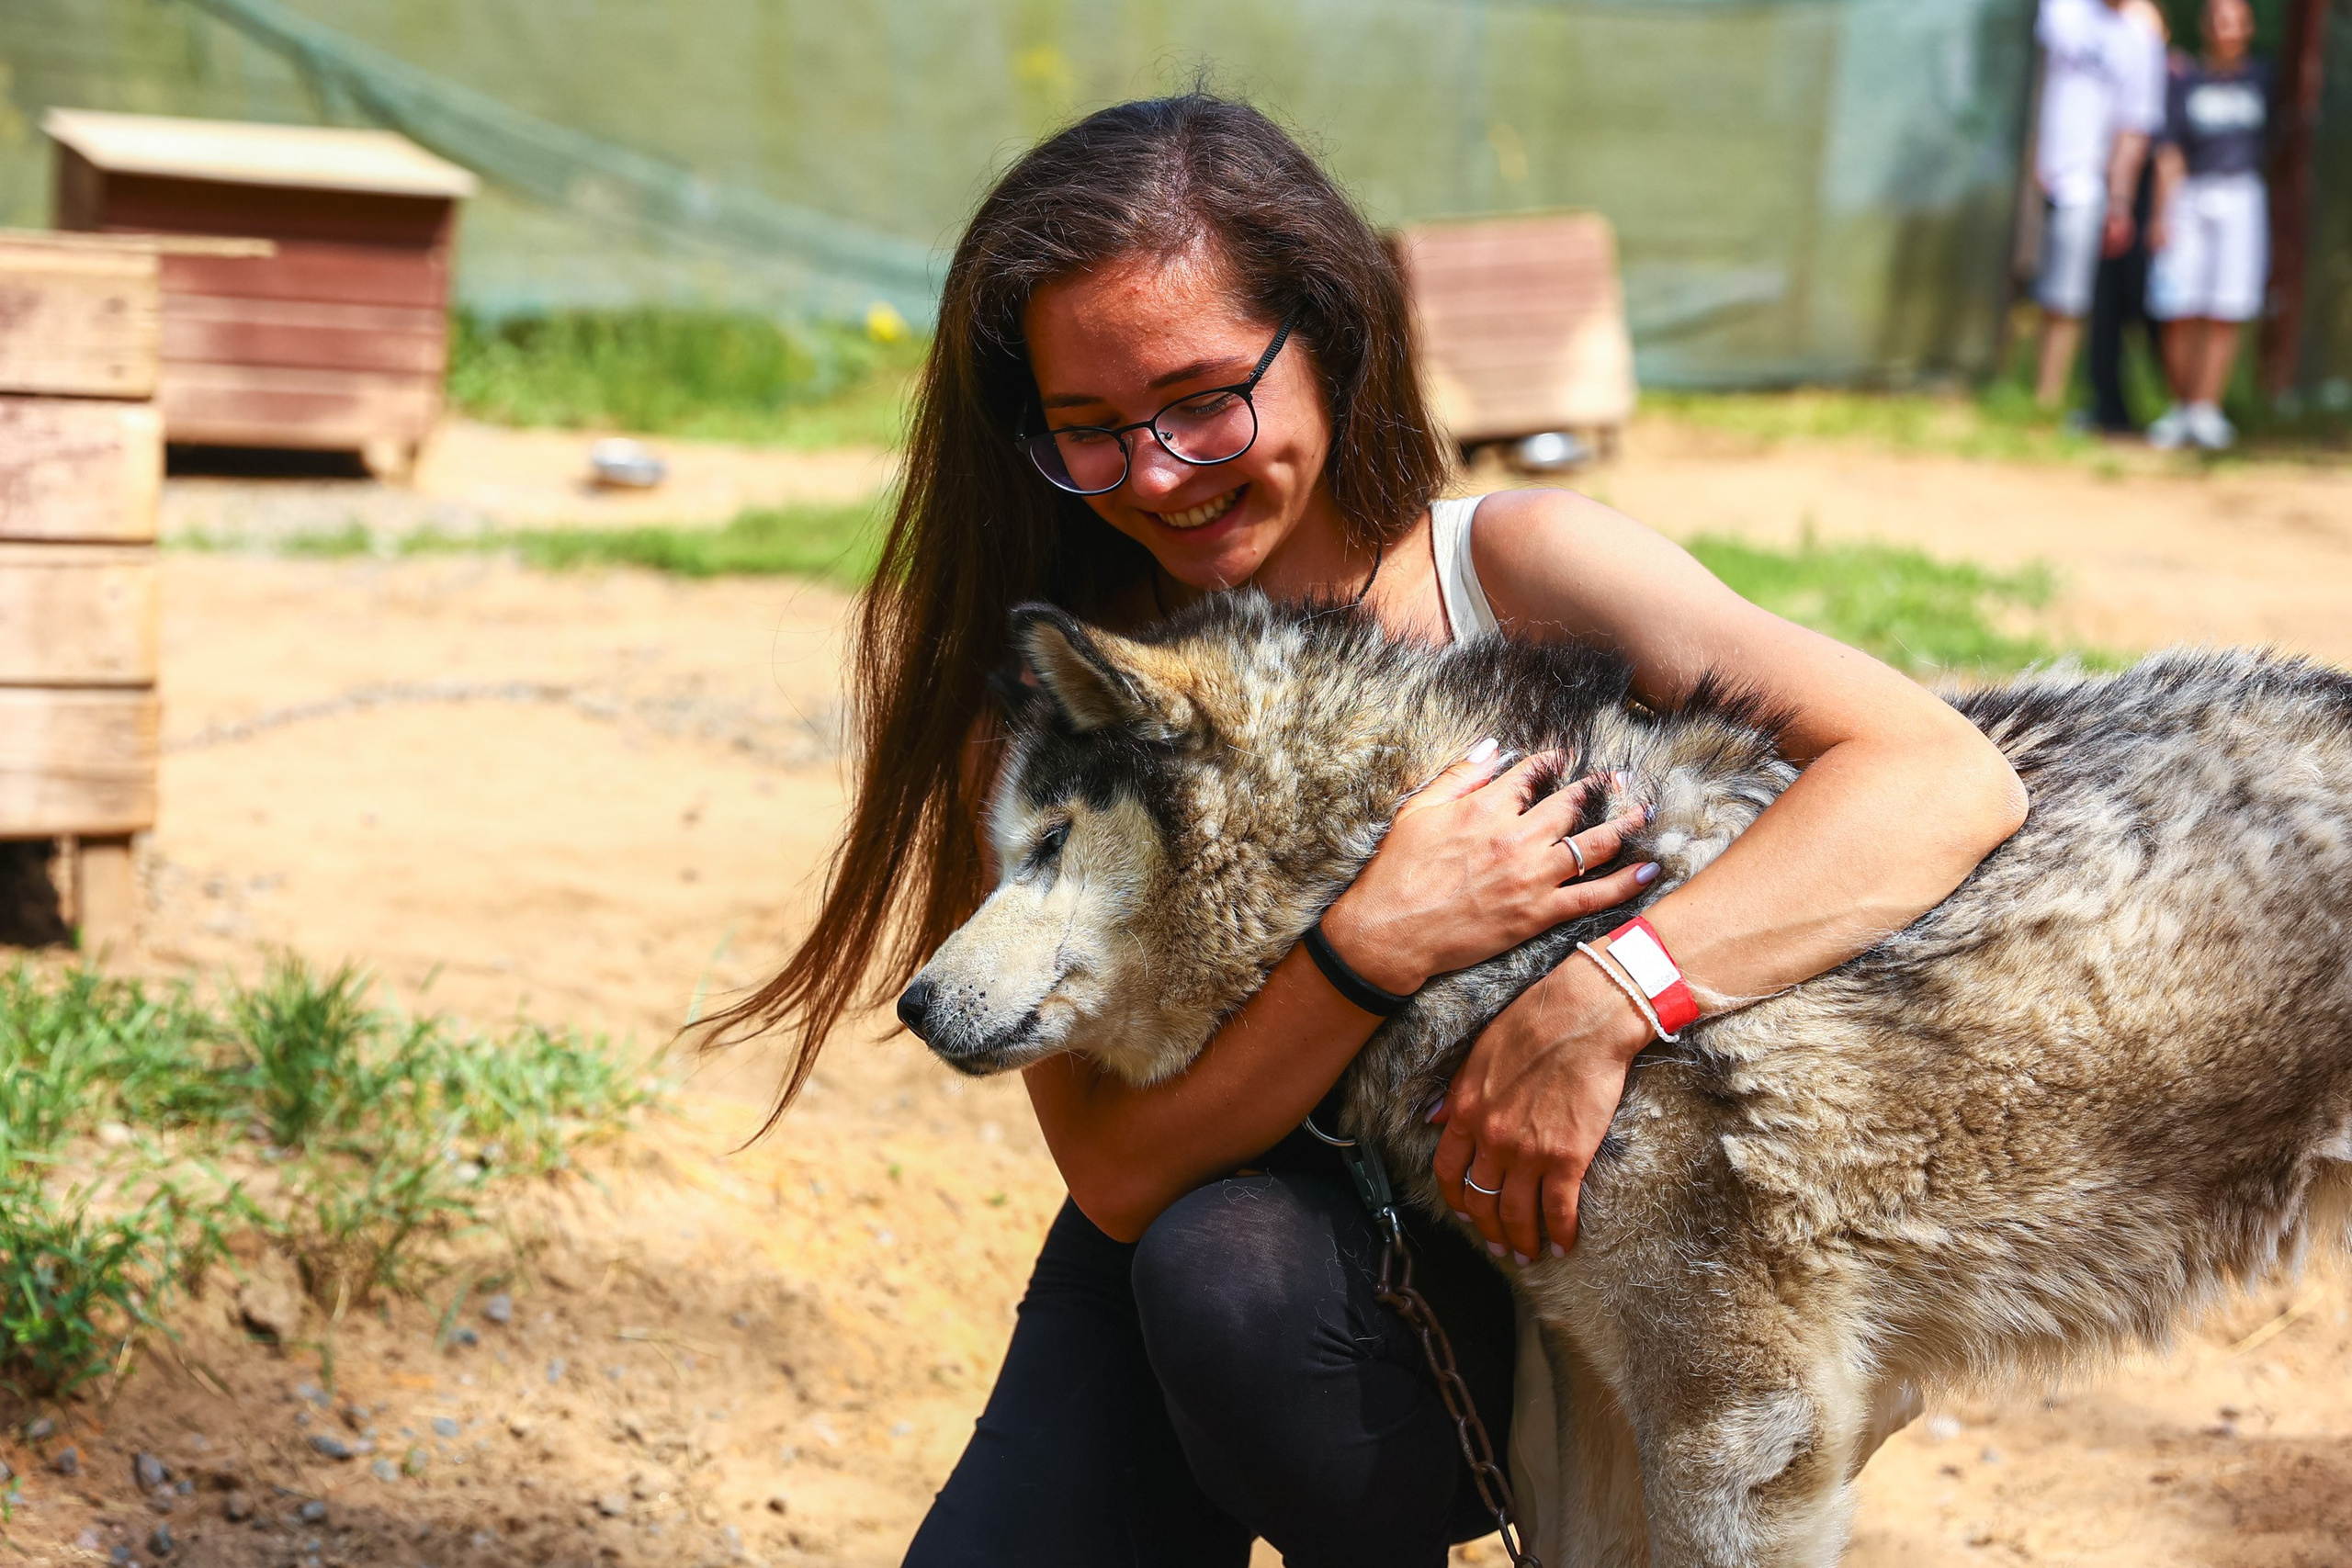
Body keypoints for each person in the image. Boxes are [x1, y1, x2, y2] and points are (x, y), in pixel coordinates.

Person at [709, 96, 2028, 1567]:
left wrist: (1607, 995)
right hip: (1265, 1288)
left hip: (1581, 1266)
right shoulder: (1073, 705)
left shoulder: (1519, 566)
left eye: (1203, 399)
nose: (1158, 471)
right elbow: (1120, 1174)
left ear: (1329, 336)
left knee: (1229, 1281)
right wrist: (1369, 944)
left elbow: (1938, 774)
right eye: (1089, 431)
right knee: (1216, 1272)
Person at [2145, 0, 2273, 451]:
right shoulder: (2185, 81)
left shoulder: (2265, 80)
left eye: (2234, 21)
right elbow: (2169, 152)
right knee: (2177, 304)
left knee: (2225, 307)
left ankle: (2206, 410)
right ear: (2205, 26)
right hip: (2190, 194)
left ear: (2248, 28)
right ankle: (2181, 408)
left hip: (2241, 194)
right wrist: (2160, 213)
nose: (2226, 30)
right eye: (2218, 20)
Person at [2031, 0, 2168, 409]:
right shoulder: (2065, 10)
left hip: (2086, 182)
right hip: (2038, 174)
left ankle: (2045, 401)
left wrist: (2119, 201)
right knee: (2039, 289)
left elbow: (2134, 128)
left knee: (2066, 299)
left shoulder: (2141, 37)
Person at [2084, 0, 2171, 435]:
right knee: (2104, 304)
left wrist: (2120, 201)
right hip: (2095, 180)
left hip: (2135, 186)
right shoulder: (2083, 19)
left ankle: (2186, 401)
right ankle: (2108, 406)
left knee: (2144, 298)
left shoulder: (2142, 27)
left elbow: (2137, 129)